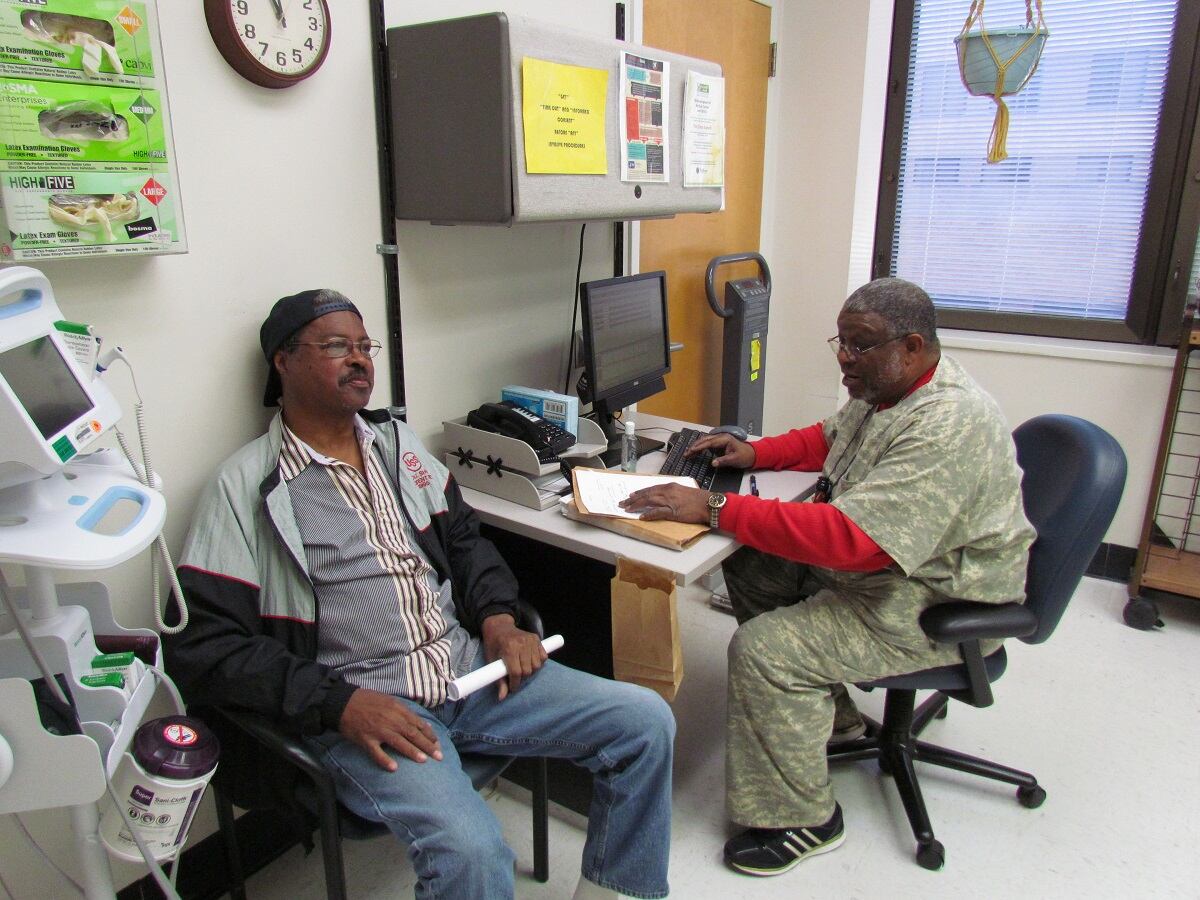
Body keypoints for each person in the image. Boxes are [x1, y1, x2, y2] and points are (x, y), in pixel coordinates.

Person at [164, 289, 674, 900]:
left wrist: (499, 620)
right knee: (472, 853)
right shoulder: (246, 487)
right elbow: (205, 645)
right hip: (370, 711)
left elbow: (464, 542)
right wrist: (338, 704)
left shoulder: (397, 446)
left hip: (470, 674)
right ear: (284, 361)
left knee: (646, 723)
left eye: (364, 346)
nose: (359, 359)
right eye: (336, 346)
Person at [620, 277, 1034, 878]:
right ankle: (833, 719)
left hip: (937, 602)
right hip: (899, 571)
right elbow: (830, 438)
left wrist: (714, 507)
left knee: (765, 650)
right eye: (841, 342)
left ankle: (804, 820)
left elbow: (854, 542)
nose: (845, 357)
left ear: (912, 346)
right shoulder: (889, 388)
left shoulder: (948, 423)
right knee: (750, 556)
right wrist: (755, 454)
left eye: (860, 345)